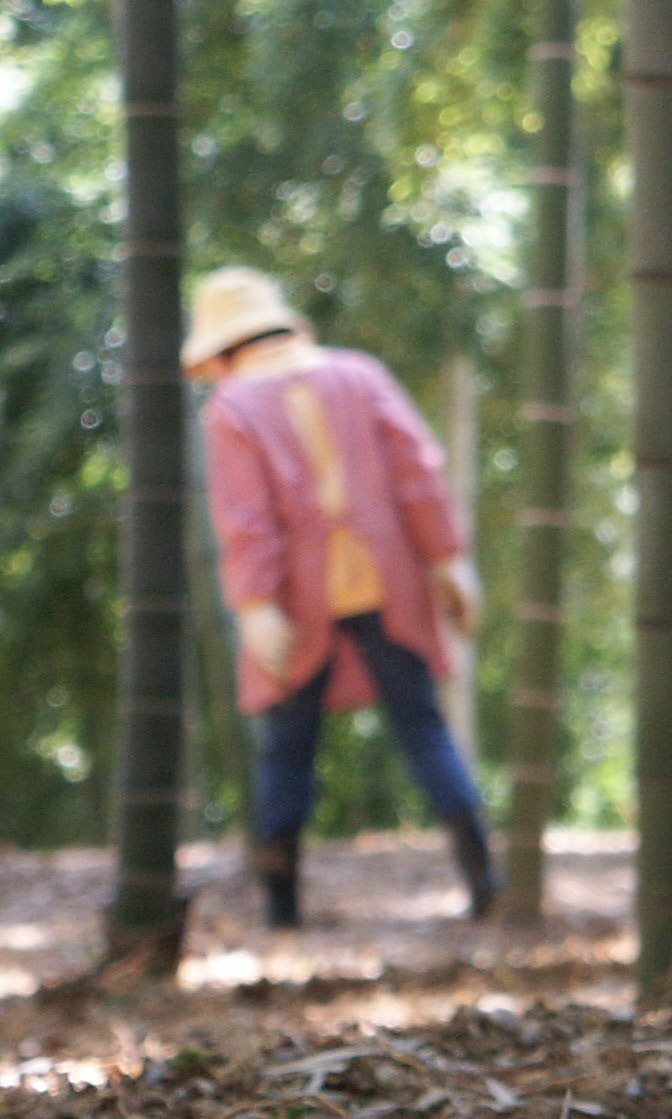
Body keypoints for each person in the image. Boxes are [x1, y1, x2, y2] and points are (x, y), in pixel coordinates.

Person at [185, 266, 494, 929]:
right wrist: (448, 559)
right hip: (387, 580)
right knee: (423, 727)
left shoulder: (232, 407)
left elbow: (248, 520)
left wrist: (257, 605)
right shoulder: (358, 374)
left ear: (225, 345)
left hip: (299, 599)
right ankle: (483, 878)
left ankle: (282, 908)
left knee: (288, 746)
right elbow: (418, 472)